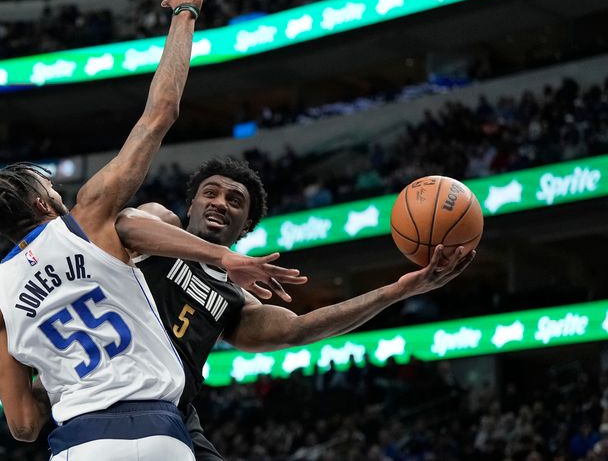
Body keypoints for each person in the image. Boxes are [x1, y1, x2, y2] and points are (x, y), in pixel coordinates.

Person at [0, 0, 306, 460]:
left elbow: (22, 425)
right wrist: (185, 13)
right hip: (158, 430)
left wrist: (62, 367)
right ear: (44, 204)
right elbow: (160, 112)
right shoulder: (88, 219)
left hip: (78, 443)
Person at [115, 156, 476, 460]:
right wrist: (225, 257)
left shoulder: (234, 298)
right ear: (191, 203)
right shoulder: (162, 223)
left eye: (235, 201)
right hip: (111, 385)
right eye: (211, 193)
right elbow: (127, 226)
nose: (221, 202)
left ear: (246, 227)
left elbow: (297, 329)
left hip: (173, 409)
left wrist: (396, 291)